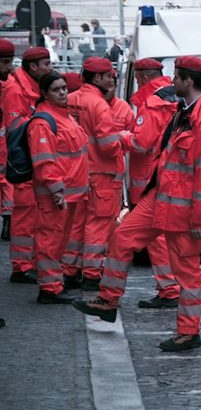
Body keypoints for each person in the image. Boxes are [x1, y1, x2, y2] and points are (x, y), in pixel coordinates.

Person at [73, 56, 201, 352]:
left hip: (184, 210)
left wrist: (199, 221)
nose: (170, 81)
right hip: (162, 197)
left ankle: (189, 333)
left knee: (187, 273)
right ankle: (108, 300)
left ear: (188, 81)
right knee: (122, 238)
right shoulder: (185, 110)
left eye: (175, 77)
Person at [121, 58, 180, 309]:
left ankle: (169, 289)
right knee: (171, 236)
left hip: (148, 180)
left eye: (136, 80)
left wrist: (122, 136)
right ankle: (174, 285)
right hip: (171, 176)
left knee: (155, 239)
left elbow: (141, 144)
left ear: (143, 78)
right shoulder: (177, 98)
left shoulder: (151, 104)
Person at [28, 72, 90, 304]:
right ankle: (49, 289)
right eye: (56, 89)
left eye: (64, 88)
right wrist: (56, 190)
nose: (63, 92)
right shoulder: (44, 122)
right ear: (45, 93)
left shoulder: (64, 117)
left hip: (70, 192)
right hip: (56, 195)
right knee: (49, 241)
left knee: (58, 241)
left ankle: (54, 284)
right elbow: (44, 161)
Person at [66, 57, 125, 291]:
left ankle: (69, 270)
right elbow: (109, 145)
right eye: (109, 75)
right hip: (101, 173)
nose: (112, 79)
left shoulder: (69, 100)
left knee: (75, 224)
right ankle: (91, 274)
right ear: (97, 78)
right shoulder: (100, 104)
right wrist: (124, 141)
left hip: (77, 172)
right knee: (98, 225)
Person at [2, 47, 53, 284]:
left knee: (31, 215)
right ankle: (21, 267)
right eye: (46, 64)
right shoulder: (16, 89)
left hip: (30, 158)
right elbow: (14, 129)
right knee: (24, 215)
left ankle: (26, 263)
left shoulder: (28, 87)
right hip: (22, 161)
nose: (50, 68)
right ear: (33, 67)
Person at [0, 38, 15, 242]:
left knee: (7, 183)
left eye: (10, 61)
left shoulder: (13, 85)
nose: (9, 66)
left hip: (8, 146)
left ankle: (8, 221)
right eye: (4, 62)